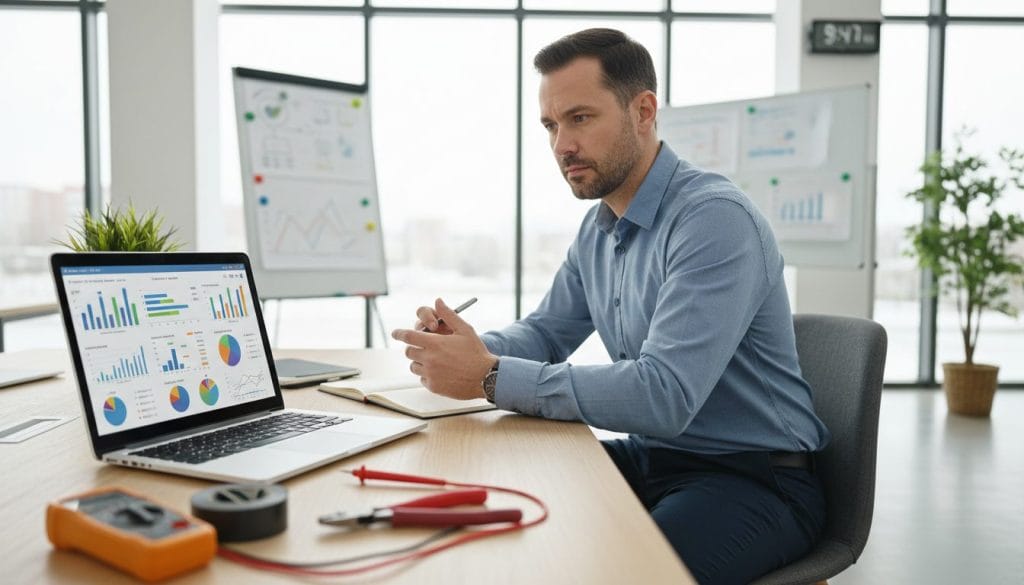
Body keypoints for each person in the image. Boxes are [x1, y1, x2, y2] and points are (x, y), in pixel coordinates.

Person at [390, 28, 830, 585]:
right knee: (494, 501)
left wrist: (489, 375)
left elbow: (662, 395)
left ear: (643, 111)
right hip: (657, 458)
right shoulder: (598, 230)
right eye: (551, 125)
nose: (561, 145)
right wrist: (468, 350)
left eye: (580, 118)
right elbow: (547, 334)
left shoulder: (713, 220)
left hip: (753, 480)